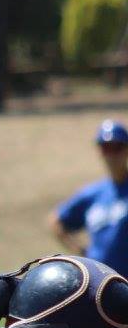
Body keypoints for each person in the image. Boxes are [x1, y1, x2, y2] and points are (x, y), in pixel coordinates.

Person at [50, 118, 128, 275]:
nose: (112, 155)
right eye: (106, 148)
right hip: (100, 281)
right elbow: (56, 222)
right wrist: (82, 253)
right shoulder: (93, 194)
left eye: (117, 148)